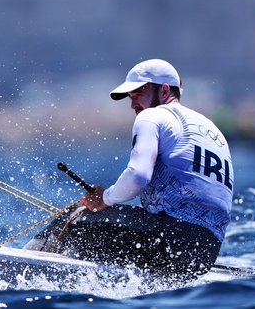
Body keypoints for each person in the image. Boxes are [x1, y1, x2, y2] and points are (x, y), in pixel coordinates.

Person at [25, 59, 234, 281]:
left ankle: (23, 266)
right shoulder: (213, 131)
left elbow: (138, 176)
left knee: (74, 219)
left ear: (164, 90)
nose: (133, 105)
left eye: (138, 94)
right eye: (130, 97)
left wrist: (103, 199)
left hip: (168, 239)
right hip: (204, 254)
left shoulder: (153, 116)